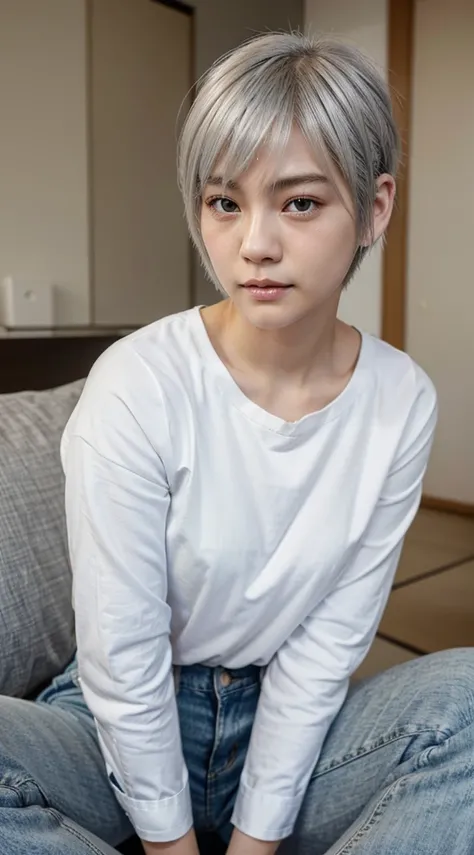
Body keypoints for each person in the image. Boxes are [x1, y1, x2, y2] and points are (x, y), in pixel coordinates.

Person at [1, 30, 473, 855]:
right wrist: (170, 838)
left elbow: (328, 641)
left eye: (299, 202)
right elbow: (123, 648)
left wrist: (257, 837)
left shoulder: (401, 400)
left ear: (374, 206)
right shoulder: (137, 382)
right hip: (118, 719)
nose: (254, 243)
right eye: (225, 202)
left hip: (292, 720)